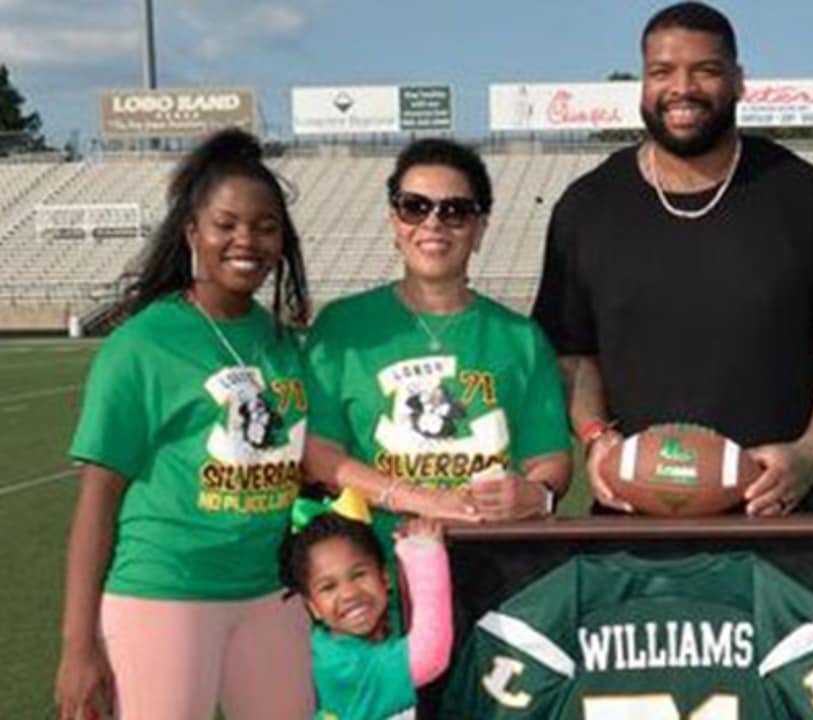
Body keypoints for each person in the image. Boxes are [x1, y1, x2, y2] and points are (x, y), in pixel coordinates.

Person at [532, 1, 813, 517]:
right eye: (662, 72)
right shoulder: (588, 206)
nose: (681, 89)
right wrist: (597, 438)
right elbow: (572, 354)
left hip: (783, 521)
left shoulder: (812, 199)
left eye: (705, 70)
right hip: (631, 527)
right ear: (643, 83)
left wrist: (812, 451)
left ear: (738, 80)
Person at [55, 128, 314, 719]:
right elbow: (97, 502)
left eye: (265, 226)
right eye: (226, 224)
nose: (245, 239)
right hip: (164, 593)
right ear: (192, 232)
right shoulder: (141, 345)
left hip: (271, 595)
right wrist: (78, 648)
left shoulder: (285, 346)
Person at [304, 138, 571, 539]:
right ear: (395, 221)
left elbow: (550, 460)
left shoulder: (522, 339)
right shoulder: (341, 327)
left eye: (456, 211)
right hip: (374, 578)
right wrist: (420, 499)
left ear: (479, 229)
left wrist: (537, 494)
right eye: (415, 206)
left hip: (495, 573)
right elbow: (319, 457)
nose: (433, 223)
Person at [280, 490, 452, 720]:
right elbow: (428, 657)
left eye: (359, 574)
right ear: (313, 607)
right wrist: (424, 554)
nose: (349, 593)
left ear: (385, 578)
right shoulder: (347, 665)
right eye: (328, 587)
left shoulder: (327, 642)